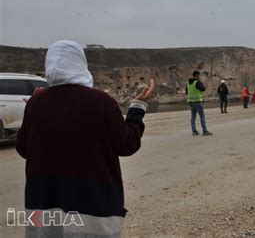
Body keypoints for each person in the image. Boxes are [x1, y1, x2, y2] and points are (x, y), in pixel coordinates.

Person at [16, 40, 156, 237]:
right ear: (81, 64)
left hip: (44, 203)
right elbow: (127, 144)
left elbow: (23, 149)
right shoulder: (102, 102)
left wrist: (33, 110)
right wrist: (137, 107)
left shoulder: (36, 102)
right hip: (92, 204)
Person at [187, 70, 212, 135]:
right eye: (199, 75)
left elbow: (187, 92)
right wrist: (200, 82)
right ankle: (205, 131)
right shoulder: (197, 82)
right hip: (198, 101)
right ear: (197, 75)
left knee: (193, 117)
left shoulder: (187, 83)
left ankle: (194, 131)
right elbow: (203, 89)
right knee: (202, 116)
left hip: (191, 102)